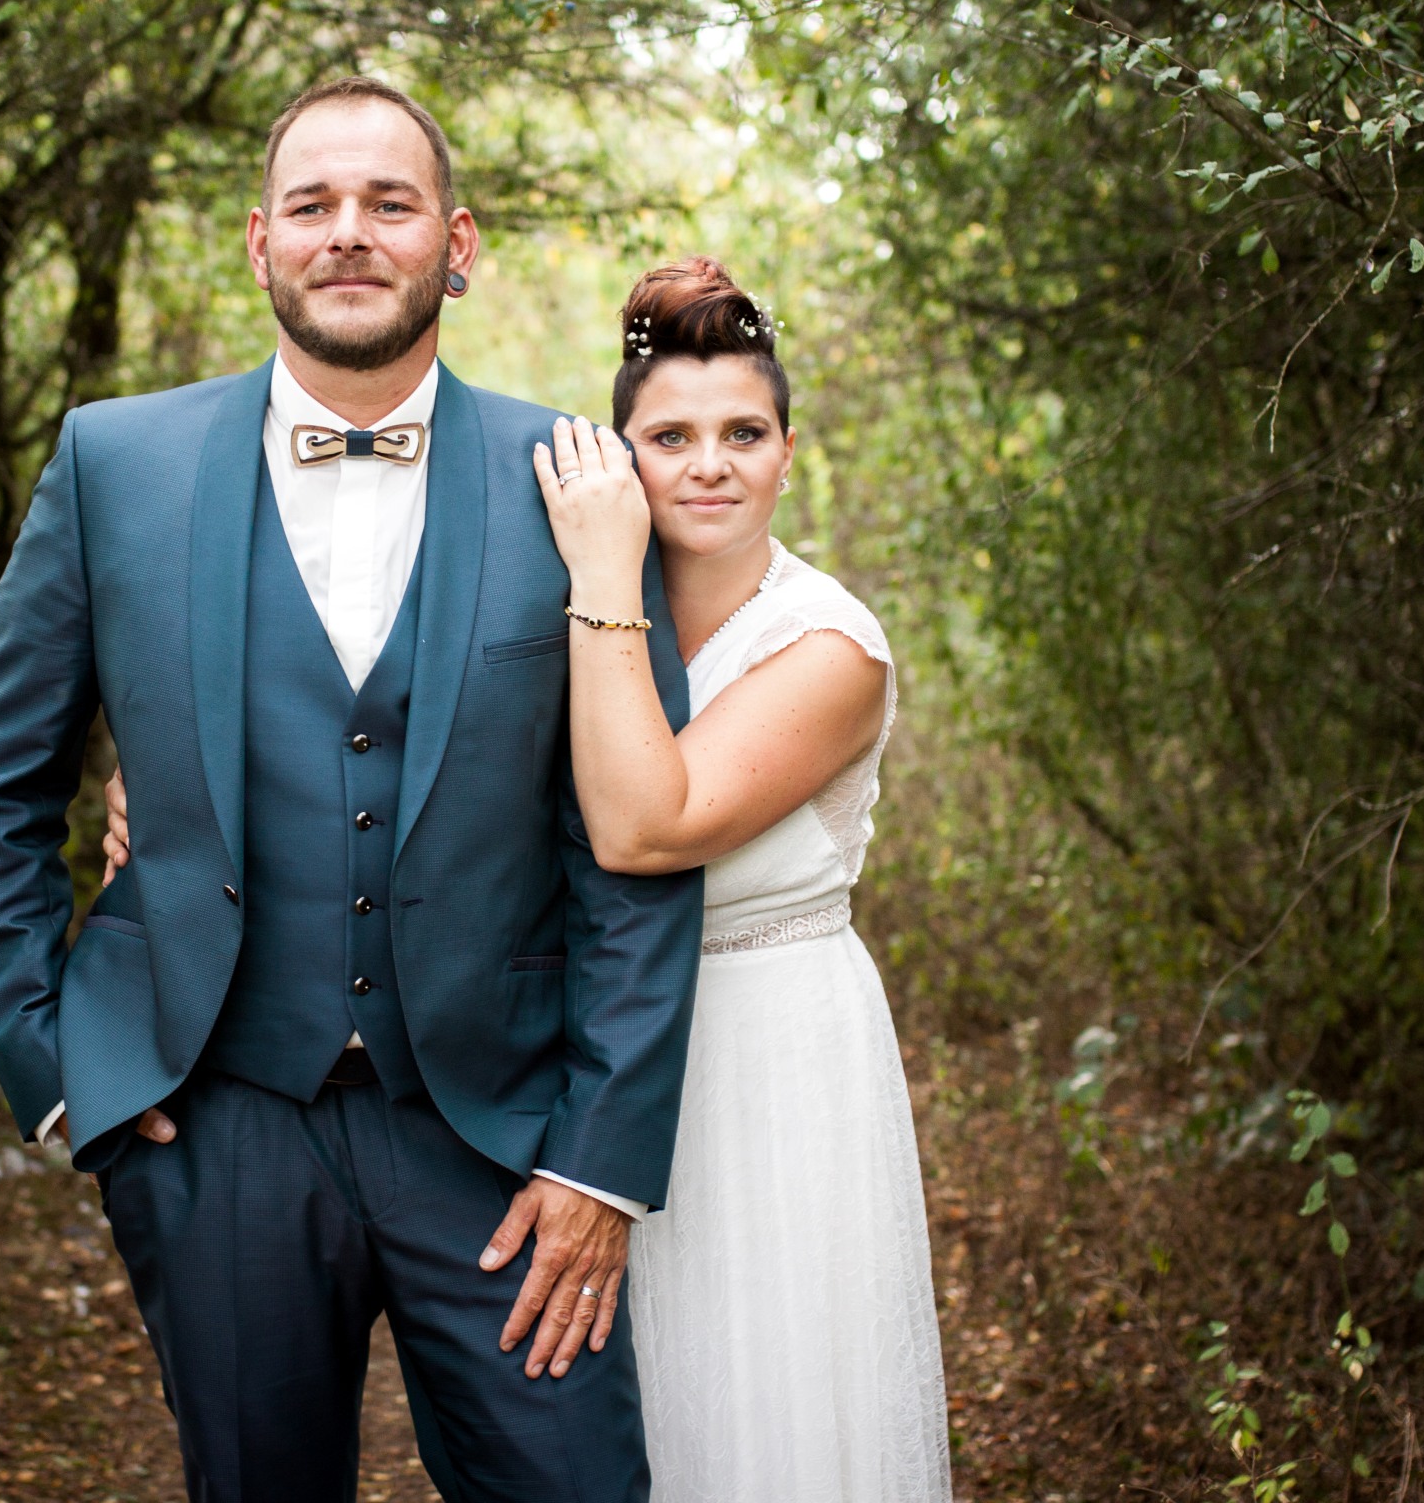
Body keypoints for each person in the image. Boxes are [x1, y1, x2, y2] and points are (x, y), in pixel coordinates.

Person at [0, 76, 703, 1503]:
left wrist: (601, 1162)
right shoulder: (117, 463)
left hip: (502, 1138)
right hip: (214, 1127)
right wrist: (56, 1073)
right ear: (260, 242)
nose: (349, 233)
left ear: (457, 245)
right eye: (314, 205)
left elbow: (633, 840)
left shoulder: (576, 482)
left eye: (390, 204)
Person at [105, 256, 952, 1501]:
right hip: (552, 1070)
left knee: (762, 1414)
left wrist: (604, 575)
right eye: (670, 435)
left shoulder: (828, 649)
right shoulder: (556, 595)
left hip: (762, 1074)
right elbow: (426, 789)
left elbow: (642, 827)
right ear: (622, 457)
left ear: (787, 448)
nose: (708, 463)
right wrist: (174, 808)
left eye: (744, 432)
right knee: (600, 1418)